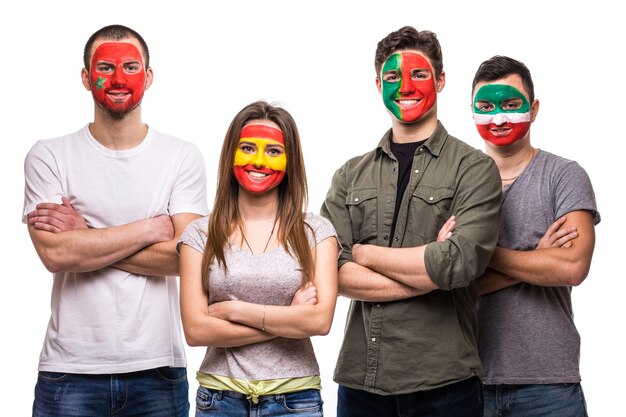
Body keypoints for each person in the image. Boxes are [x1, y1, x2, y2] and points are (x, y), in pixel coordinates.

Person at [23, 24, 208, 416]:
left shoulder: (182, 156)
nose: (119, 79)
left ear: (149, 76)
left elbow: (185, 258)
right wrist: (150, 229)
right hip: (69, 370)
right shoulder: (48, 155)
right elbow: (56, 255)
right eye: (105, 67)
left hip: (158, 368)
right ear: (87, 78)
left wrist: (86, 236)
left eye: (131, 67)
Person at [320, 26, 502, 417]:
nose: (405, 85)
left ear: (440, 80)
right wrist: (430, 270)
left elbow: (460, 263)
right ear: (377, 84)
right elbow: (328, 271)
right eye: (392, 77)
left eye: (419, 74)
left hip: (446, 384)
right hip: (361, 384)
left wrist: (364, 254)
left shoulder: (474, 169)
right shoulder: (349, 175)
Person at [178, 100, 339, 417]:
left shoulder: (317, 231)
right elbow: (196, 331)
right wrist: (290, 319)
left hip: (295, 400)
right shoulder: (199, 234)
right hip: (219, 399)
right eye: (248, 148)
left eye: (274, 152)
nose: (260, 160)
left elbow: (320, 322)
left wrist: (234, 310)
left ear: (290, 160)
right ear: (230, 156)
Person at [471, 55, 600, 417]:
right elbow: (448, 284)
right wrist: (536, 256)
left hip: (550, 387)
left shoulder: (564, 176)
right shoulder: (457, 184)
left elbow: (572, 267)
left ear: (535, 108)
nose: (498, 118)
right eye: (486, 106)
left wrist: (478, 254)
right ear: (473, 111)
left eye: (512, 105)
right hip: (469, 382)